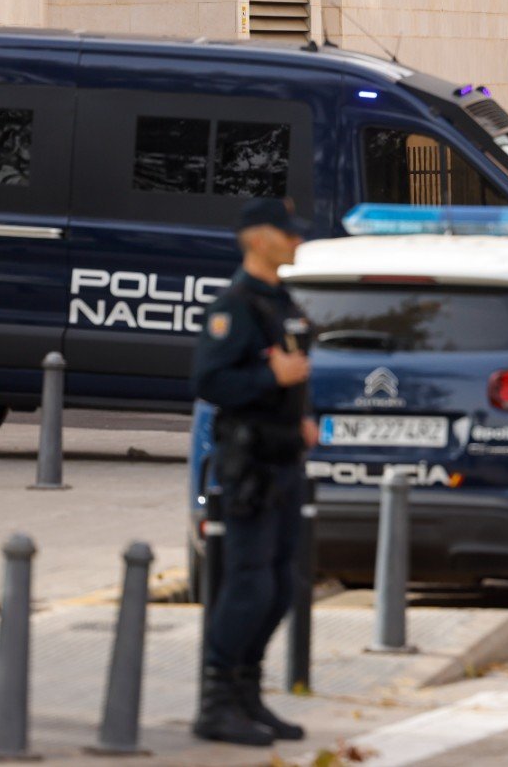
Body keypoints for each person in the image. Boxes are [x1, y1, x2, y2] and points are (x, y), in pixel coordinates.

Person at [191, 198, 319, 747]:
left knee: (281, 588)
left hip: (286, 459)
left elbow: (292, 369)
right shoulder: (236, 306)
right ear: (257, 237)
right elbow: (211, 382)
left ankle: (247, 693)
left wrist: (303, 415)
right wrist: (273, 379)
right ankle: (217, 702)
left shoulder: (281, 301)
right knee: (250, 585)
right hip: (251, 466)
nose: (296, 241)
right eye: (286, 233)